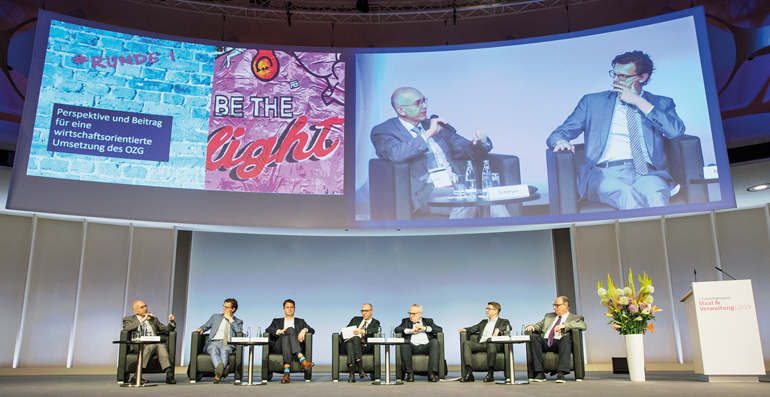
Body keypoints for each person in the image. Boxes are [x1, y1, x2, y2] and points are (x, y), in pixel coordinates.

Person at [546, 51, 686, 210]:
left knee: (657, 197)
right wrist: (561, 140)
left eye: (623, 77)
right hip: (605, 174)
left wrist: (639, 102)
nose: (616, 80)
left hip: (647, 173)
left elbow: (676, 131)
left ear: (643, 77)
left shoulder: (661, 103)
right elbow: (558, 133)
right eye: (614, 74)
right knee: (627, 196)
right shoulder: (592, 102)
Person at [371, 87, 508, 219]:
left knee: (490, 200)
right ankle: (457, 241)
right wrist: (428, 134)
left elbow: (467, 150)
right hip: (426, 192)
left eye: (424, 101)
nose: (424, 106)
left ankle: (509, 238)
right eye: (418, 103)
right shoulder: (384, 130)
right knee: (466, 200)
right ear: (401, 110)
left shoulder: (438, 126)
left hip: (455, 186)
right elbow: (396, 154)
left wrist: (479, 142)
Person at [524, 296, 586, 383]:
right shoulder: (549, 316)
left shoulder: (575, 318)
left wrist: (564, 326)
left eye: (557, 305)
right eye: (554, 305)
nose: (554, 307)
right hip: (546, 341)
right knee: (534, 337)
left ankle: (561, 373)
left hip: (560, 342)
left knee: (566, 338)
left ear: (565, 306)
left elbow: (583, 326)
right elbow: (539, 325)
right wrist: (532, 326)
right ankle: (540, 373)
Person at [122, 300, 176, 384]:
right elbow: (127, 328)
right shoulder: (128, 319)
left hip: (154, 344)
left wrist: (171, 322)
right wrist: (143, 320)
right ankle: (168, 375)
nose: (145, 308)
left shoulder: (153, 320)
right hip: (139, 345)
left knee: (160, 345)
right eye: (142, 307)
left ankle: (168, 375)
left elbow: (166, 330)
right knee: (156, 345)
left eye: (145, 306)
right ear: (135, 311)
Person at [458, 302, 511, 382]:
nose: (486, 310)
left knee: (490, 342)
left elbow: (508, 327)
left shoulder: (503, 321)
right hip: (482, 344)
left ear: (496, 311)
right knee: (467, 343)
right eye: (487, 308)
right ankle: (469, 374)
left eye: (489, 309)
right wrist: (464, 329)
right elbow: (473, 328)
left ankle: (490, 374)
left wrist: (498, 329)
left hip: (494, 345)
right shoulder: (483, 322)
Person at [265, 299, 315, 383]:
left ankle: (286, 373)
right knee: (289, 331)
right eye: (287, 307)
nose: (290, 309)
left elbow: (312, 330)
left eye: (291, 307)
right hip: (279, 347)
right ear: (284, 309)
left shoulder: (300, 321)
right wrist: (279, 331)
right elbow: (268, 329)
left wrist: (304, 330)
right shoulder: (276, 321)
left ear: (294, 309)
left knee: (286, 338)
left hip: (293, 346)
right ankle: (302, 359)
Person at [194, 298, 243, 384]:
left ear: (233, 309)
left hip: (228, 344)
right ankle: (221, 371)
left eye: (227, 307)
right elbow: (205, 326)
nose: (224, 308)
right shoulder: (215, 317)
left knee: (224, 352)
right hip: (214, 342)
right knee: (213, 350)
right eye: (224, 306)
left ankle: (218, 373)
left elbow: (239, 332)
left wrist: (230, 319)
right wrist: (200, 329)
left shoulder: (238, 321)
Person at [394, 304, 443, 382]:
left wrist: (425, 328)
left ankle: (432, 373)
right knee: (404, 343)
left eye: (414, 314)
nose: (411, 316)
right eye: (410, 313)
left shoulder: (428, 321)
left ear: (420, 313)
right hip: (413, 347)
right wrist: (410, 331)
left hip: (426, 346)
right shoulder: (405, 321)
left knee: (435, 342)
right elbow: (397, 329)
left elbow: (439, 329)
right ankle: (410, 373)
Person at [340, 303, 381, 382]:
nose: (364, 313)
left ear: (371, 311)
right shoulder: (355, 319)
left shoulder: (375, 322)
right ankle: (360, 368)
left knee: (350, 345)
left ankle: (351, 374)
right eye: (362, 311)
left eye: (366, 311)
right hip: (347, 343)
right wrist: (348, 335)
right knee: (353, 340)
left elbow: (377, 329)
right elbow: (343, 333)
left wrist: (363, 331)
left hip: (363, 347)